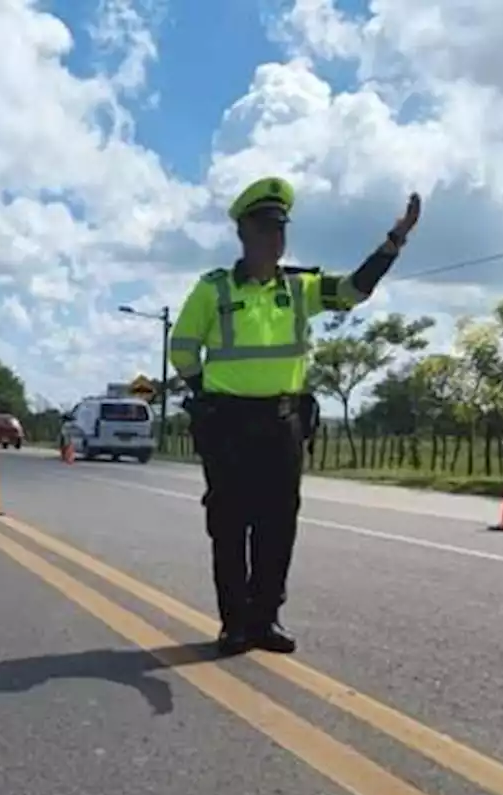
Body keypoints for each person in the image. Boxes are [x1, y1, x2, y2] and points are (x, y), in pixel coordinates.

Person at [170, 176, 421, 656]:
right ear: (243, 233)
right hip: (227, 423)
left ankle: (265, 618)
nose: (274, 239)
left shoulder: (299, 287)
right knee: (228, 524)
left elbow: (352, 291)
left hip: (282, 422)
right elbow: (182, 348)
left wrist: (394, 242)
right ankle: (234, 623)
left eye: (280, 230)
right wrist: (206, 395)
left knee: (277, 523)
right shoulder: (213, 289)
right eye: (264, 229)